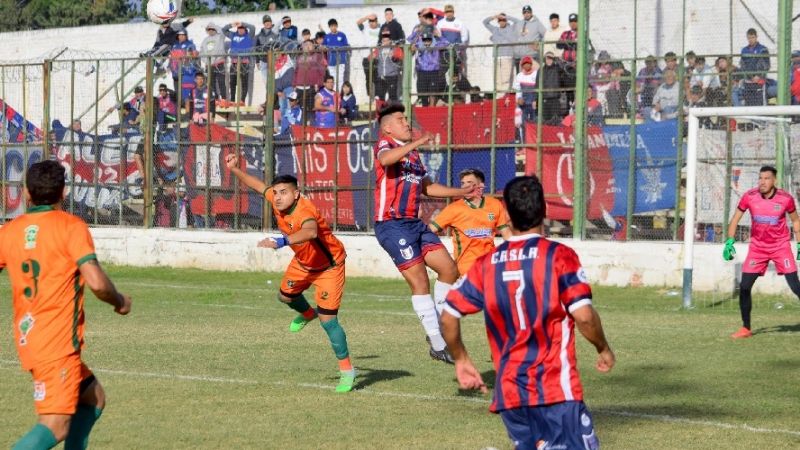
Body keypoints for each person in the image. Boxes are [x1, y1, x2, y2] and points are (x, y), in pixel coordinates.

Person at [440, 175, 615, 450]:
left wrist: (461, 359)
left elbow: (449, 314)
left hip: (511, 393)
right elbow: (583, 315)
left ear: (506, 214)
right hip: (555, 389)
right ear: (544, 209)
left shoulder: (487, 264)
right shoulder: (559, 256)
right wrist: (603, 347)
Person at [2, 160, 132, 449]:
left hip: (31, 337)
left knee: (93, 397)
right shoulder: (70, 227)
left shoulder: (10, 231)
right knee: (56, 424)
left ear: (26, 193)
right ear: (63, 193)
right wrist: (120, 300)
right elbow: (97, 283)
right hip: (56, 343)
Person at [224, 159, 356, 393]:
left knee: (329, 321)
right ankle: (307, 313)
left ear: (296, 194)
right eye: (275, 193)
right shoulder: (277, 202)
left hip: (329, 267)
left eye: (283, 192)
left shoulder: (305, 210)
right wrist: (234, 169)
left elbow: (310, 231)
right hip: (303, 263)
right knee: (284, 297)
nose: (277, 197)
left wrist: (282, 241)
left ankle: (346, 370)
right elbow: (257, 185)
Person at [373, 103, 475, 363]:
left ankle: (439, 327)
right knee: (420, 282)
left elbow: (427, 188)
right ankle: (439, 344)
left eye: (406, 119)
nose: (406, 123)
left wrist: (461, 193)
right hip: (392, 224)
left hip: (415, 224)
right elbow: (386, 160)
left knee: (449, 270)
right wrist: (416, 141)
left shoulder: (413, 156)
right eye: (400, 120)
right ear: (387, 128)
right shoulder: (385, 145)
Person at [723, 165, 800, 339]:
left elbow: (796, 221)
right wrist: (729, 242)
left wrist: (799, 244)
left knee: (796, 287)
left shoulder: (785, 199)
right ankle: (746, 328)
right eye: (760, 178)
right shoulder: (749, 197)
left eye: (766, 178)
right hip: (757, 249)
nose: (762, 182)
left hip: (780, 247)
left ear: (774, 181)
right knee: (744, 287)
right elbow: (735, 219)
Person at [429, 168, 511, 275]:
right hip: (465, 269)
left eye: (470, 183)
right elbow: (430, 230)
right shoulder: (454, 209)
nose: (465, 186)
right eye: (463, 183)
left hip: (490, 266)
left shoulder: (495, 205)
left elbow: (507, 234)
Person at [409, 30, 450, 107]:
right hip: (422, 72)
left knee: (432, 93)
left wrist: (439, 35)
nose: (426, 42)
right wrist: (417, 32)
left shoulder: (436, 45)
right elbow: (409, 40)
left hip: (433, 72)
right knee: (423, 93)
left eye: (428, 40)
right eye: (424, 40)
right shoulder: (419, 45)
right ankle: (425, 108)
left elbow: (447, 43)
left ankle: (431, 109)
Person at [293, 40, 327, 125]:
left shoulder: (318, 56)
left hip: (311, 87)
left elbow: (322, 71)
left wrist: (318, 84)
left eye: (310, 44)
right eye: (305, 45)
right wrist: (294, 84)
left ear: (313, 46)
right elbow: (296, 71)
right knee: (301, 109)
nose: (307, 46)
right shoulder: (299, 57)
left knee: (312, 109)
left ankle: (313, 128)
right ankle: (301, 128)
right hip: (300, 87)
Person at [483, 13, 519, 93]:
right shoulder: (495, 30)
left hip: (507, 57)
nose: (502, 22)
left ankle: (504, 98)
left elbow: (518, 22)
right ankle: (498, 99)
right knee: (497, 80)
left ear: (506, 20)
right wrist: (493, 17)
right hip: (496, 58)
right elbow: (485, 22)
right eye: (500, 20)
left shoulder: (511, 28)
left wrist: (507, 17)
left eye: (503, 20)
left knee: (506, 80)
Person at [222, 21, 256, 104]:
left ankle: (242, 100)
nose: (241, 30)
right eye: (239, 29)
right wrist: (232, 25)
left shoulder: (249, 36)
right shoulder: (233, 35)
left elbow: (253, 27)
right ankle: (232, 100)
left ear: (245, 29)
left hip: (244, 62)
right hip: (234, 62)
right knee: (232, 82)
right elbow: (224, 30)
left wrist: (243, 23)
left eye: (242, 28)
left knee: (244, 82)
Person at [169, 30, 199, 110]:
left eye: (183, 35)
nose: (181, 37)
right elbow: (171, 58)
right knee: (178, 92)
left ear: (186, 36)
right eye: (180, 35)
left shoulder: (190, 45)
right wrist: (170, 67)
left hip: (184, 73)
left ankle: (190, 111)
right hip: (175, 73)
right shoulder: (174, 45)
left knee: (186, 94)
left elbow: (193, 58)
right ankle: (180, 111)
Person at [372, 31, 403, 102]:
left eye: (387, 40)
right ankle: (381, 111)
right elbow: (371, 58)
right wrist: (373, 58)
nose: (385, 42)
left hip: (392, 76)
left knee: (392, 96)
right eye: (383, 40)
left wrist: (394, 57)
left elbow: (400, 62)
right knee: (380, 95)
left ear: (390, 40)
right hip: (381, 76)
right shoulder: (378, 49)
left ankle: (393, 111)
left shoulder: (396, 49)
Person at [511, 4, 547, 69]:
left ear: (531, 13)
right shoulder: (520, 24)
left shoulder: (537, 23)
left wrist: (538, 45)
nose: (526, 14)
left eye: (528, 12)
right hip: (520, 57)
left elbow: (546, 35)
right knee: (521, 78)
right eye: (524, 12)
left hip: (532, 56)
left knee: (534, 77)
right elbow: (514, 37)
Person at [199, 22, 228, 101]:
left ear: (215, 29)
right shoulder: (205, 40)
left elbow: (222, 30)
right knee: (211, 83)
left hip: (219, 63)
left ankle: (224, 99)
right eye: (209, 29)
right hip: (209, 65)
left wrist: (213, 25)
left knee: (221, 82)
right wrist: (206, 61)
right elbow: (201, 52)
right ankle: (215, 99)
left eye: (212, 29)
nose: (210, 31)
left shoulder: (220, 37)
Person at [437, 4, 469, 74]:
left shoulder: (460, 23)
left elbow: (465, 36)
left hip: (456, 52)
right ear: (445, 13)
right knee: (442, 72)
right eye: (447, 12)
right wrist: (444, 44)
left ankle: (456, 85)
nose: (449, 13)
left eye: (450, 11)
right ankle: (444, 85)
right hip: (444, 52)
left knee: (456, 72)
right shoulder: (440, 23)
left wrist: (459, 44)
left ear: (453, 12)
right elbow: (438, 37)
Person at [323, 18, 350, 91]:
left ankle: (339, 95)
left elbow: (346, 46)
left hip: (341, 61)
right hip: (331, 61)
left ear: (337, 26)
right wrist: (325, 48)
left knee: (340, 78)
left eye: (334, 26)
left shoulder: (342, 35)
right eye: (331, 26)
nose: (333, 28)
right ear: (329, 27)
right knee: (333, 78)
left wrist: (339, 49)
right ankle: (334, 94)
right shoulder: (327, 36)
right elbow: (323, 46)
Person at [513, 55, 538, 123]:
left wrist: (536, 100)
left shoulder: (536, 74)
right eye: (524, 64)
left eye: (528, 63)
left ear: (531, 64)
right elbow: (518, 90)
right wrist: (518, 99)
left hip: (534, 104)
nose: (526, 65)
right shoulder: (519, 76)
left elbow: (538, 89)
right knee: (524, 123)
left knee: (534, 123)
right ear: (522, 65)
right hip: (523, 105)